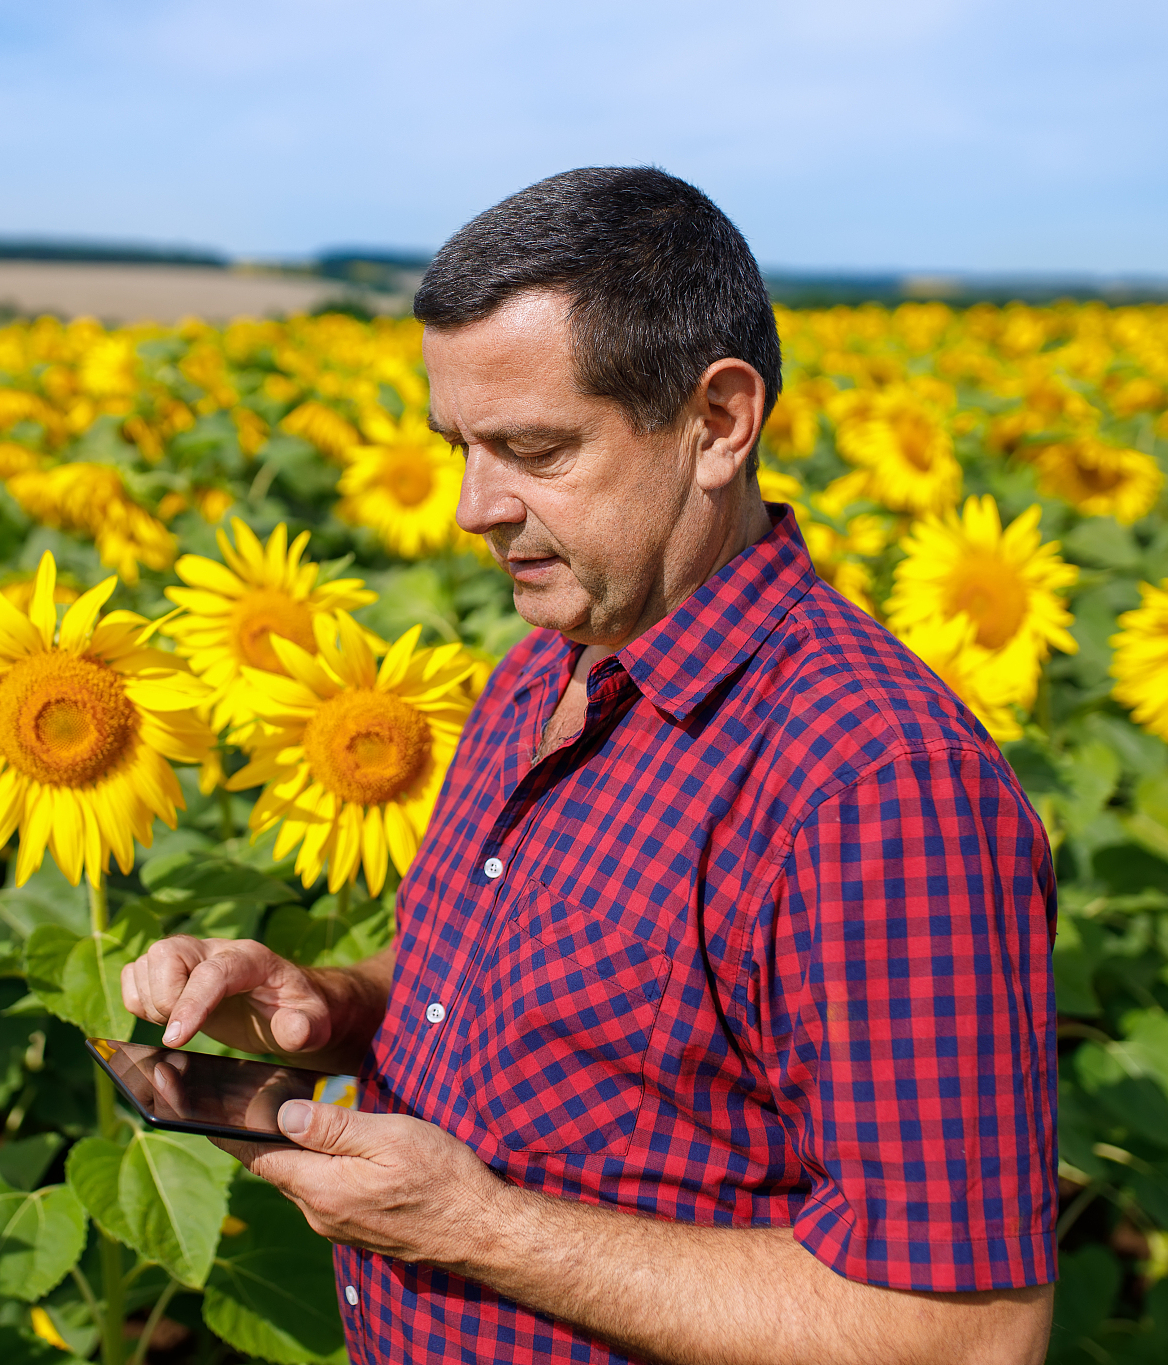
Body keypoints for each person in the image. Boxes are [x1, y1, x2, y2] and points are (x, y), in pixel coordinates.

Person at [120, 166, 1057, 1365]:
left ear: (717, 424)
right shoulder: (539, 669)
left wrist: (476, 1229)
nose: (469, 506)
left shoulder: (875, 788)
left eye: (531, 448)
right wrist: (327, 1006)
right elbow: (526, 984)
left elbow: (957, 1335)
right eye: (455, 444)